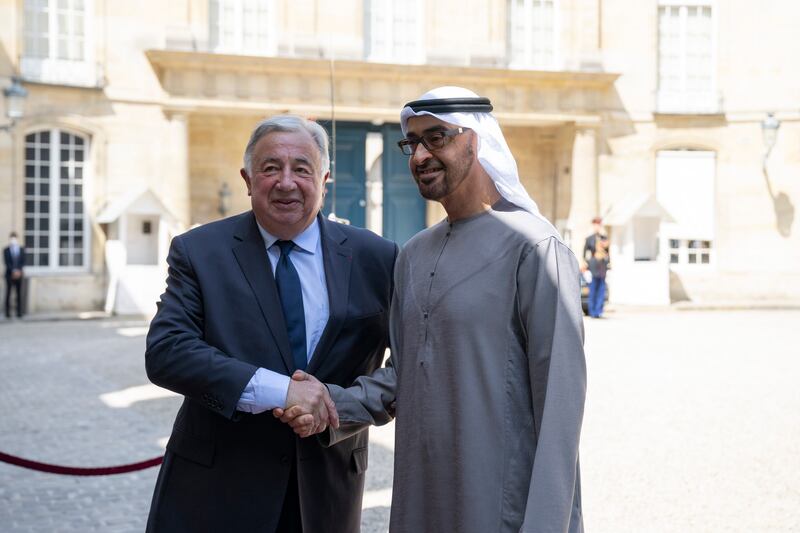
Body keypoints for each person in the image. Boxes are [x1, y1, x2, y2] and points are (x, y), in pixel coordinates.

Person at [278, 87, 587, 532]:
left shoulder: (535, 247)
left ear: (475, 140)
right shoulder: (414, 254)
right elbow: (404, 376)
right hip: (421, 501)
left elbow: (561, 403)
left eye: (436, 138)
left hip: (501, 506)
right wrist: (330, 404)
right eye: (413, 143)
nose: (420, 155)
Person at [144, 115, 398, 533]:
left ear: (324, 178)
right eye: (270, 168)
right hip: (215, 490)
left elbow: (408, 367)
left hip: (328, 491)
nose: (286, 182)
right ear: (247, 179)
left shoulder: (378, 258)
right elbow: (167, 351)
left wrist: (336, 406)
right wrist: (282, 390)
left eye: (302, 168)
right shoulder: (200, 251)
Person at [4, 232, 25, 318]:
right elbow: (6, 262)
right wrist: (13, 271)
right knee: (8, 294)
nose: (13, 240)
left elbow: (23, 261)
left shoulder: (21, 249)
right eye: (12, 238)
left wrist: (18, 271)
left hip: (19, 275)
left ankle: (19, 312)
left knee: (18, 294)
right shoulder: (6, 250)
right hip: (9, 275)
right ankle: (7, 313)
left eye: (14, 238)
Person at [588, 236, 609, 318]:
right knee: (593, 294)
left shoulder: (605, 255)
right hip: (594, 276)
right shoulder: (594, 255)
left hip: (602, 276)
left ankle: (598, 312)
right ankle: (593, 312)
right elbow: (591, 264)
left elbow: (607, 263)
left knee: (600, 294)